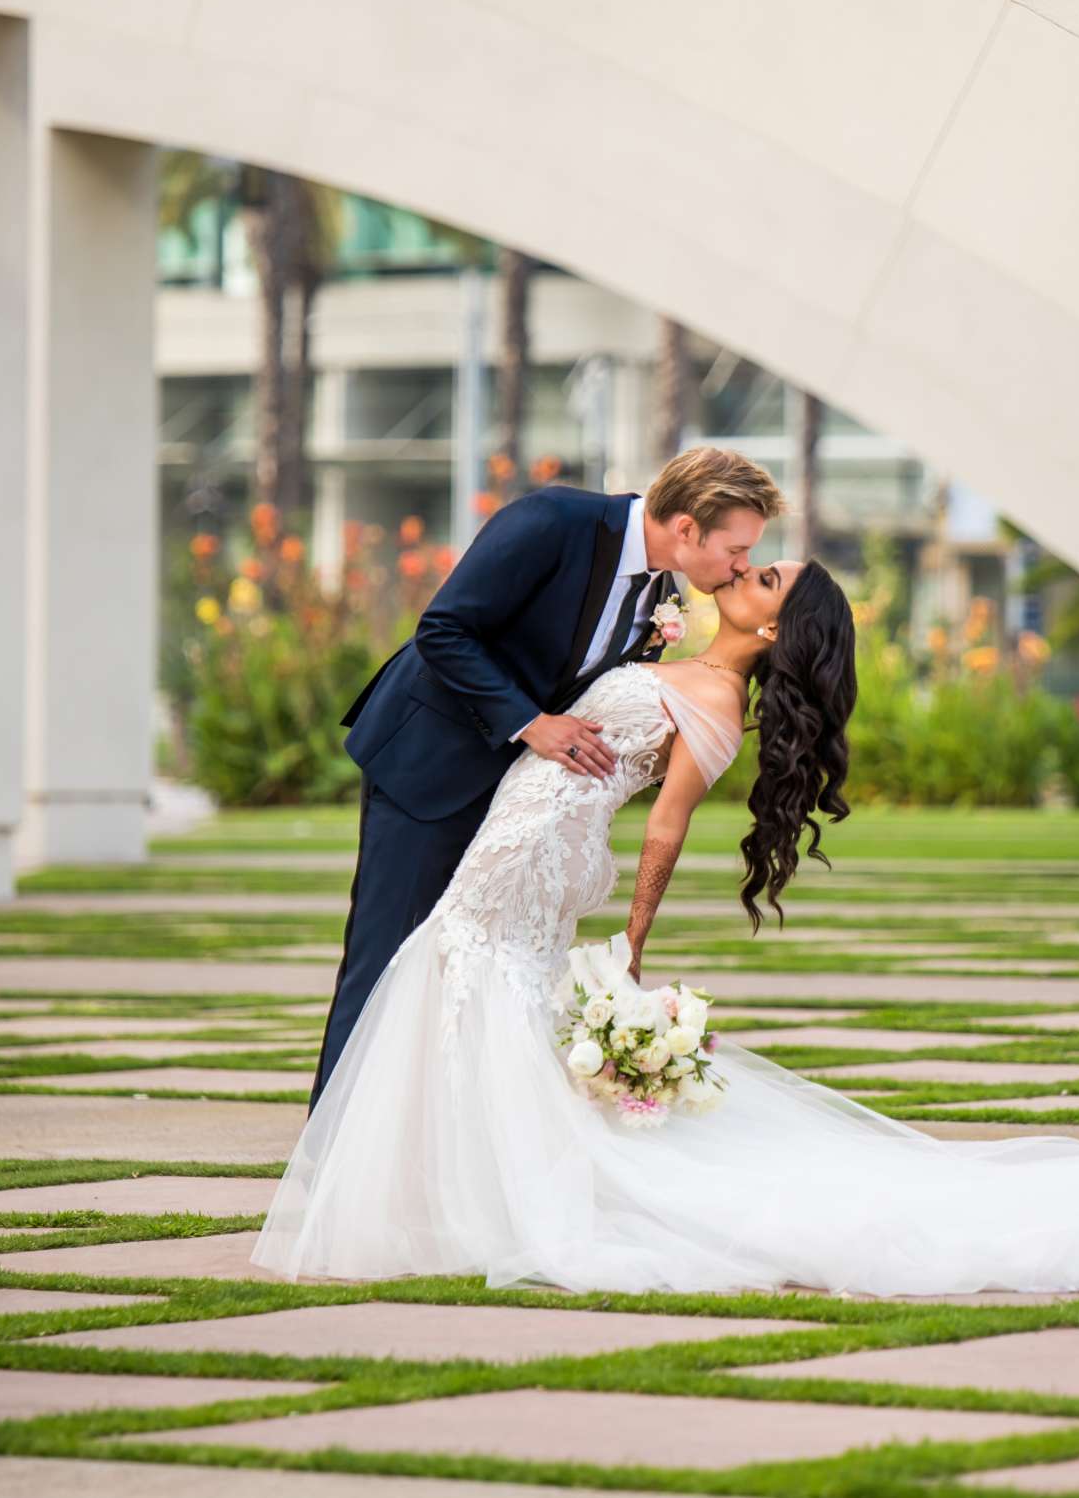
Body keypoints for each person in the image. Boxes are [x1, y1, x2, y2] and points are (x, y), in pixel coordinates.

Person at [255, 554, 1079, 1297]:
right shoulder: (674, 646)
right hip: (528, 837)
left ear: (777, 630)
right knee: (464, 988)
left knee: (469, 981)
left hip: (534, 857)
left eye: (769, 579)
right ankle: (449, 1194)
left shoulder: (720, 699)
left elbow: (669, 829)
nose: (751, 572)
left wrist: (630, 949)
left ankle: (468, 1202)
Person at [308, 447, 786, 1111]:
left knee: (457, 973)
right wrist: (530, 723)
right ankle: (331, 1143)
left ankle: (430, 1140)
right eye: (737, 549)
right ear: (686, 529)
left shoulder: (664, 594)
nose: (740, 566)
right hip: (429, 764)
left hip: (515, 803)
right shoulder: (552, 520)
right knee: (387, 957)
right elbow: (444, 630)